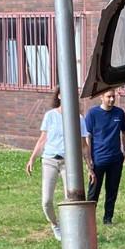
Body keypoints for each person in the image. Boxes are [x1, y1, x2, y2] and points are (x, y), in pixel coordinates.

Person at [26, 91, 86, 241]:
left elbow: (84, 145)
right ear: (59, 96)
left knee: (70, 199)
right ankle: (55, 224)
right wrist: (32, 159)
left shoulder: (78, 118)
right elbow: (42, 139)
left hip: (69, 162)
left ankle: (71, 229)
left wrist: (89, 165)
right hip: (50, 160)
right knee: (46, 201)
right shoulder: (50, 116)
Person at [82, 89, 125, 225]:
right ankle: (89, 219)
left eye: (113, 97)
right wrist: (89, 159)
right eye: (109, 97)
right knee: (93, 191)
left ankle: (108, 218)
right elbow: (88, 137)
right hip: (98, 160)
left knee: (112, 190)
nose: (112, 99)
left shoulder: (119, 113)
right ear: (101, 97)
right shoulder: (93, 113)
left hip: (115, 160)